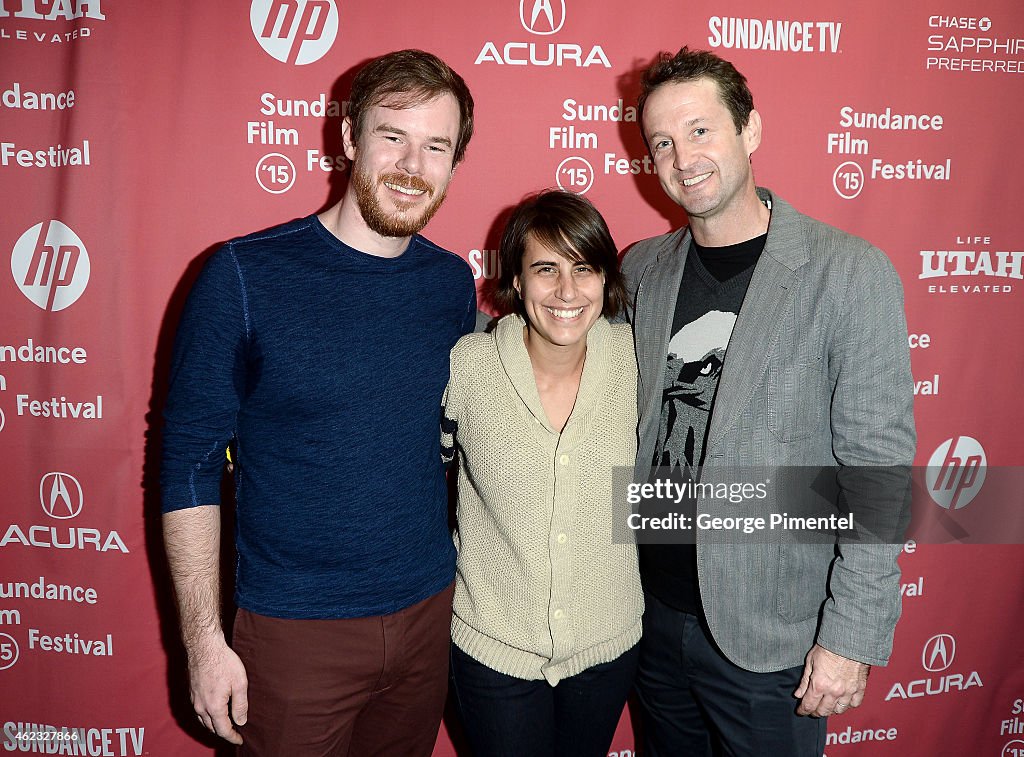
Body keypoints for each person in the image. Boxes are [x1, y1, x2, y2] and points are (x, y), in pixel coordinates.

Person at [160, 49, 476, 756]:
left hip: (429, 615)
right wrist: (204, 641)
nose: (411, 164)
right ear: (348, 138)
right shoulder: (243, 274)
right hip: (294, 632)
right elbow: (188, 463)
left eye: (436, 146)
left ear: (455, 163)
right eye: (393, 135)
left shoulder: (451, 285)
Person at [621, 47, 916, 755]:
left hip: (773, 641)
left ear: (750, 131)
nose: (682, 156)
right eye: (661, 141)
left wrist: (850, 635)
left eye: (699, 130)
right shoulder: (640, 268)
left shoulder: (848, 272)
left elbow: (877, 468)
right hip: (648, 620)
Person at [441, 190, 643, 757]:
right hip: (493, 647)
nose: (566, 292)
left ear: (605, 278)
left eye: (584, 268)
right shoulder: (470, 366)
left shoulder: (637, 362)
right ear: (516, 281)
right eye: (545, 269)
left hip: (606, 643)